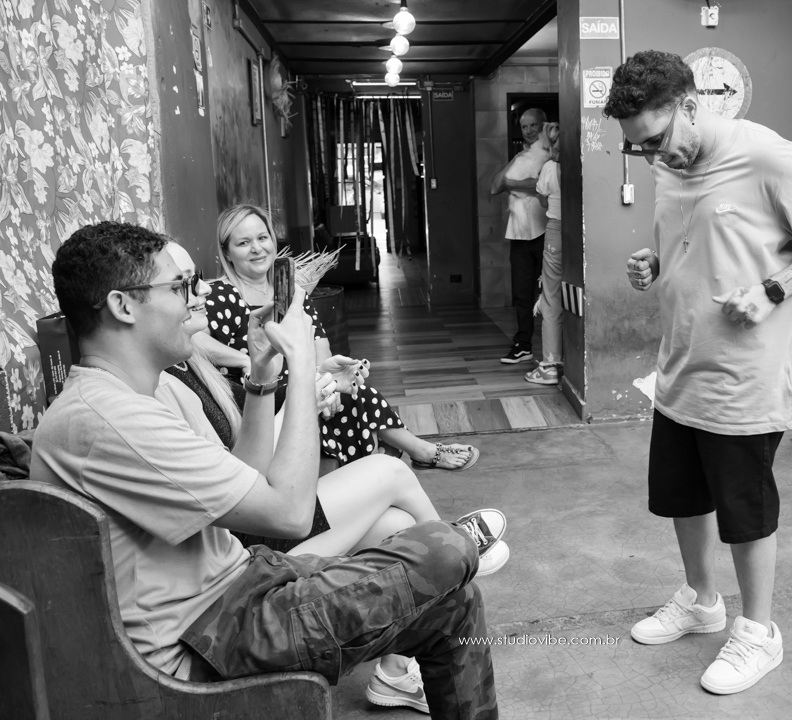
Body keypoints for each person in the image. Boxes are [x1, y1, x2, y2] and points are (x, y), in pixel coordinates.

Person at [31, 221, 500, 719]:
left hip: (241, 588)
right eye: (180, 287)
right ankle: (463, 543)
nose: (196, 300)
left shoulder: (158, 389)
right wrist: (302, 364)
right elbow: (290, 515)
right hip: (204, 640)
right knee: (445, 547)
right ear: (123, 305)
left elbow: (245, 479)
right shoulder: (106, 418)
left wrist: (262, 377)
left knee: (454, 600)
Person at [604, 50, 792, 695]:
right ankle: (701, 602)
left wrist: (773, 290)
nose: (653, 155)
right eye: (639, 148)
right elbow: (694, 240)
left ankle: (759, 631)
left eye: (656, 139)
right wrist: (653, 261)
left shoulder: (767, 155)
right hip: (680, 367)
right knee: (682, 497)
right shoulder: (670, 165)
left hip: (747, 375)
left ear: (691, 105)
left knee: (745, 510)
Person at [194, 204, 479, 472]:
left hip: (301, 384)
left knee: (347, 392)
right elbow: (194, 340)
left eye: (262, 238)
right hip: (261, 399)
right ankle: (412, 454)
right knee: (354, 399)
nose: (257, 248)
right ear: (227, 253)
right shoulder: (221, 294)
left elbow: (321, 344)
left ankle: (386, 462)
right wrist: (246, 360)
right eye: (243, 243)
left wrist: (325, 382)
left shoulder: (291, 292)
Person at [490, 107, 549, 364]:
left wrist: (511, 184)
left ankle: (555, 350)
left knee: (550, 292)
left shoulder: (552, 154)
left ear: (544, 125)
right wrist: (514, 163)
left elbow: (540, 185)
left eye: (533, 125)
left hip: (544, 232)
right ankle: (523, 345)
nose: (528, 131)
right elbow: (495, 187)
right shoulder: (520, 156)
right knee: (522, 294)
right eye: (524, 127)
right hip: (519, 236)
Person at [525, 122, 563, 386]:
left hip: (556, 232)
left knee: (551, 297)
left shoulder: (550, 168)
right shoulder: (586, 163)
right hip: (582, 233)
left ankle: (550, 366)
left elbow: (543, 200)